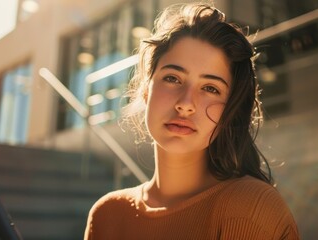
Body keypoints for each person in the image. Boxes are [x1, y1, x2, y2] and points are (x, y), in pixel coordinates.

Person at [84, 2, 299, 239]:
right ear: (146, 90)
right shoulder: (107, 215)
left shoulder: (249, 208)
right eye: (173, 78)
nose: (186, 103)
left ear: (229, 110)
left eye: (210, 88)